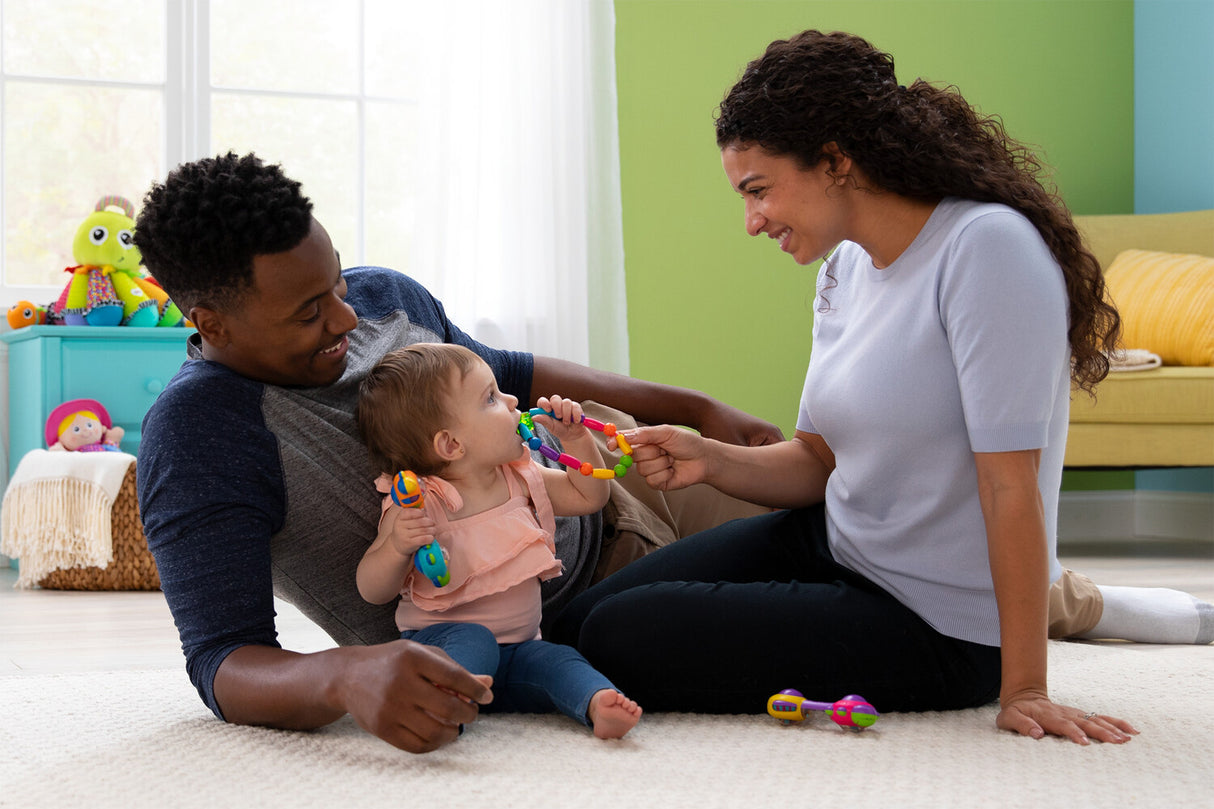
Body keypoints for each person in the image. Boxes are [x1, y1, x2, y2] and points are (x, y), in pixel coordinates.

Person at [549, 29, 1160, 745]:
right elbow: (819, 458)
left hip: (936, 623)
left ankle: (1083, 615)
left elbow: (1010, 485)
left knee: (620, 635)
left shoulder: (986, 249)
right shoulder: (844, 269)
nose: (751, 222)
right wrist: (709, 457)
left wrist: (1023, 683)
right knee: (572, 620)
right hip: (836, 542)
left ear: (836, 161)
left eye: (758, 190)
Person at [132, 151, 775, 754]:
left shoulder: (387, 298)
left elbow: (515, 374)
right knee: (813, 598)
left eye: (336, 286)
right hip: (570, 612)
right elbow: (223, 658)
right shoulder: (201, 437)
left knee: (842, 525)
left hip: (613, 466)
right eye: (308, 314)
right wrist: (345, 676)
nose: (346, 320)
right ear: (212, 322)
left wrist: (697, 410)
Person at [355, 343, 642, 739]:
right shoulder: (419, 500)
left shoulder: (519, 477)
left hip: (521, 651)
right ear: (451, 445)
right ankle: (437, 706)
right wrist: (396, 546)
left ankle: (597, 703)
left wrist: (575, 440)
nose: (511, 401)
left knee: (559, 660)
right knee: (475, 641)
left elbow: (588, 496)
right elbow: (372, 590)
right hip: (442, 646)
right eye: (491, 397)